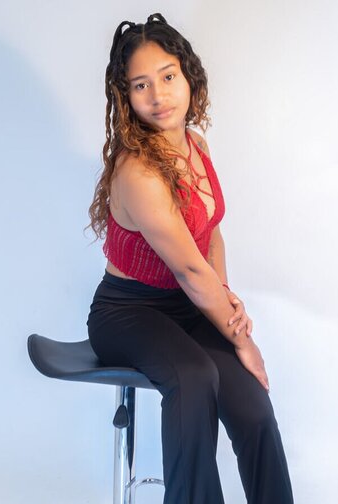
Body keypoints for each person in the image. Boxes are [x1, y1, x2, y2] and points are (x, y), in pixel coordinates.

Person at [85, 13, 294, 504]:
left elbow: (210, 233)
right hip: (127, 313)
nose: (158, 95)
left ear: (188, 76)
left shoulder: (196, 145)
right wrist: (241, 339)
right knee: (195, 377)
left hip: (190, 303)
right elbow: (190, 268)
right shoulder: (138, 173)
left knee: (253, 409)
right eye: (141, 85)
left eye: (168, 77)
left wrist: (225, 304)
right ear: (126, 97)